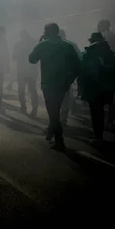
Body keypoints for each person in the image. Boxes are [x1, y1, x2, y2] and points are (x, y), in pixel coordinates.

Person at [29, 23, 80, 151]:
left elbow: (32, 59)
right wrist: (69, 80)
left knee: (53, 112)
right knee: (55, 108)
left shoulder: (43, 45)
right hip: (62, 84)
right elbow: (77, 66)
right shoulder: (67, 46)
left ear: (46, 32)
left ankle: (59, 139)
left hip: (48, 83)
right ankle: (51, 132)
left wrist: (40, 41)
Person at [78, 32, 115, 143]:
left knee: (96, 112)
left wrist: (81, 87)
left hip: (93, 89)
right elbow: (114, 71)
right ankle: (106, 127)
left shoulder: (88, 52)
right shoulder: (110, 54)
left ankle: (98, 136)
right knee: (102, 111)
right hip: (107, 88)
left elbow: (83, 70)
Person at [12, 29, 39, 116]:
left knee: (25, 89)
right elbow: (14, 57)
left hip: (25, 71)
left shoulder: (19, 44)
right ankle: (29, 108)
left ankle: (27, 108)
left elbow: (13, 57)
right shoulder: (32, 43)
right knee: (28, 89)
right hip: (27, 71)